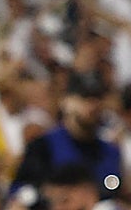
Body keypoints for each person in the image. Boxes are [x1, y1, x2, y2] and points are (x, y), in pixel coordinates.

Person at [10, 72, 123, 204]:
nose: (92, 106)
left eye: (97, 98)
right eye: (84, 97)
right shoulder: (43, 146)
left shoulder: (109, 152)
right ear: (66, 101)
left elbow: (114, 191)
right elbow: (20, 193)